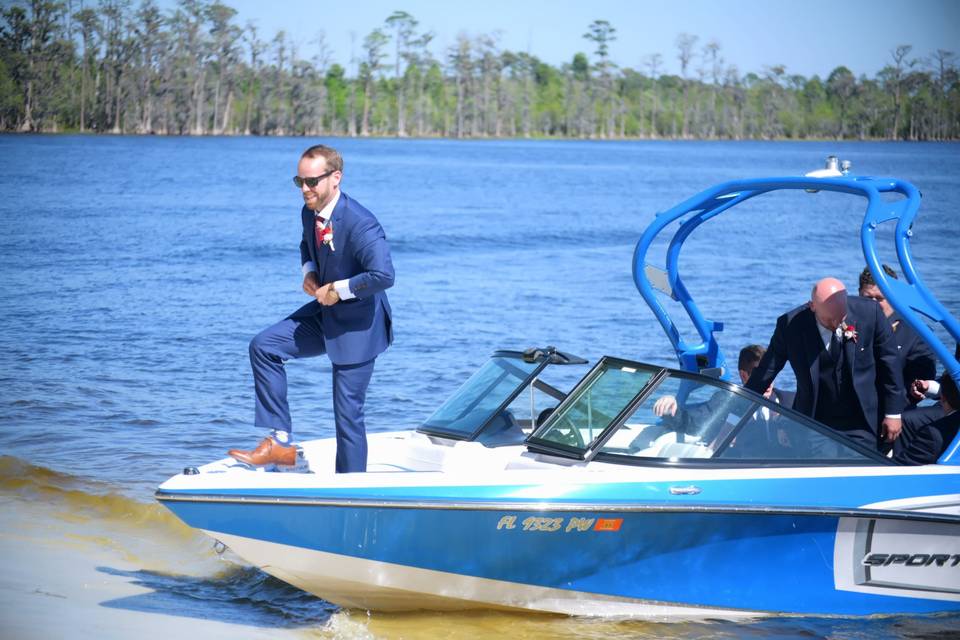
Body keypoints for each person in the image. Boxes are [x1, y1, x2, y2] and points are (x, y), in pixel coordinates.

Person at [228, 144, 395, 472]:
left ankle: (351, 494)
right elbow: (307, 243)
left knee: (347, 418)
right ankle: (280, 443)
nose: (305, 189)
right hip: (325, 314)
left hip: (360, 327)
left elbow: (384, 275)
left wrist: (338, 289)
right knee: (264, 347)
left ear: (336, 178)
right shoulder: (309, 210)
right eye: (299, 182)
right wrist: (310, 272)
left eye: (311, 182)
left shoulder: (362, 223)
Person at [745, 277, 904, 453]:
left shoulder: (870, 313)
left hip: (862, 418)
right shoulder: (790, 326)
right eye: (829, 320)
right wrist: (736, 410)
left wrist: (893, 413)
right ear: (812, 306)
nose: (836, 324)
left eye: (841, 317)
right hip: (815, 421)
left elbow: (890, 363)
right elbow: (767, 370)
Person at [858, 265, 936, 405]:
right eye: (868, 298)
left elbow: (919, 385)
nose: (873, 305)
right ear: (859, 294)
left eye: (879, 298)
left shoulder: (917, 334)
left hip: (891, 412)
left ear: (894, 297)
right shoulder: (846, 322)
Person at [893, 373, 960, 465]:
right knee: (908, 419)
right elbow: (951, 379)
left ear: (943, 398)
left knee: (934, 433)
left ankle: (907, 463)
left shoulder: (933, 434)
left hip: (951, 405)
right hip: (948, 401)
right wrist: (930, 386)